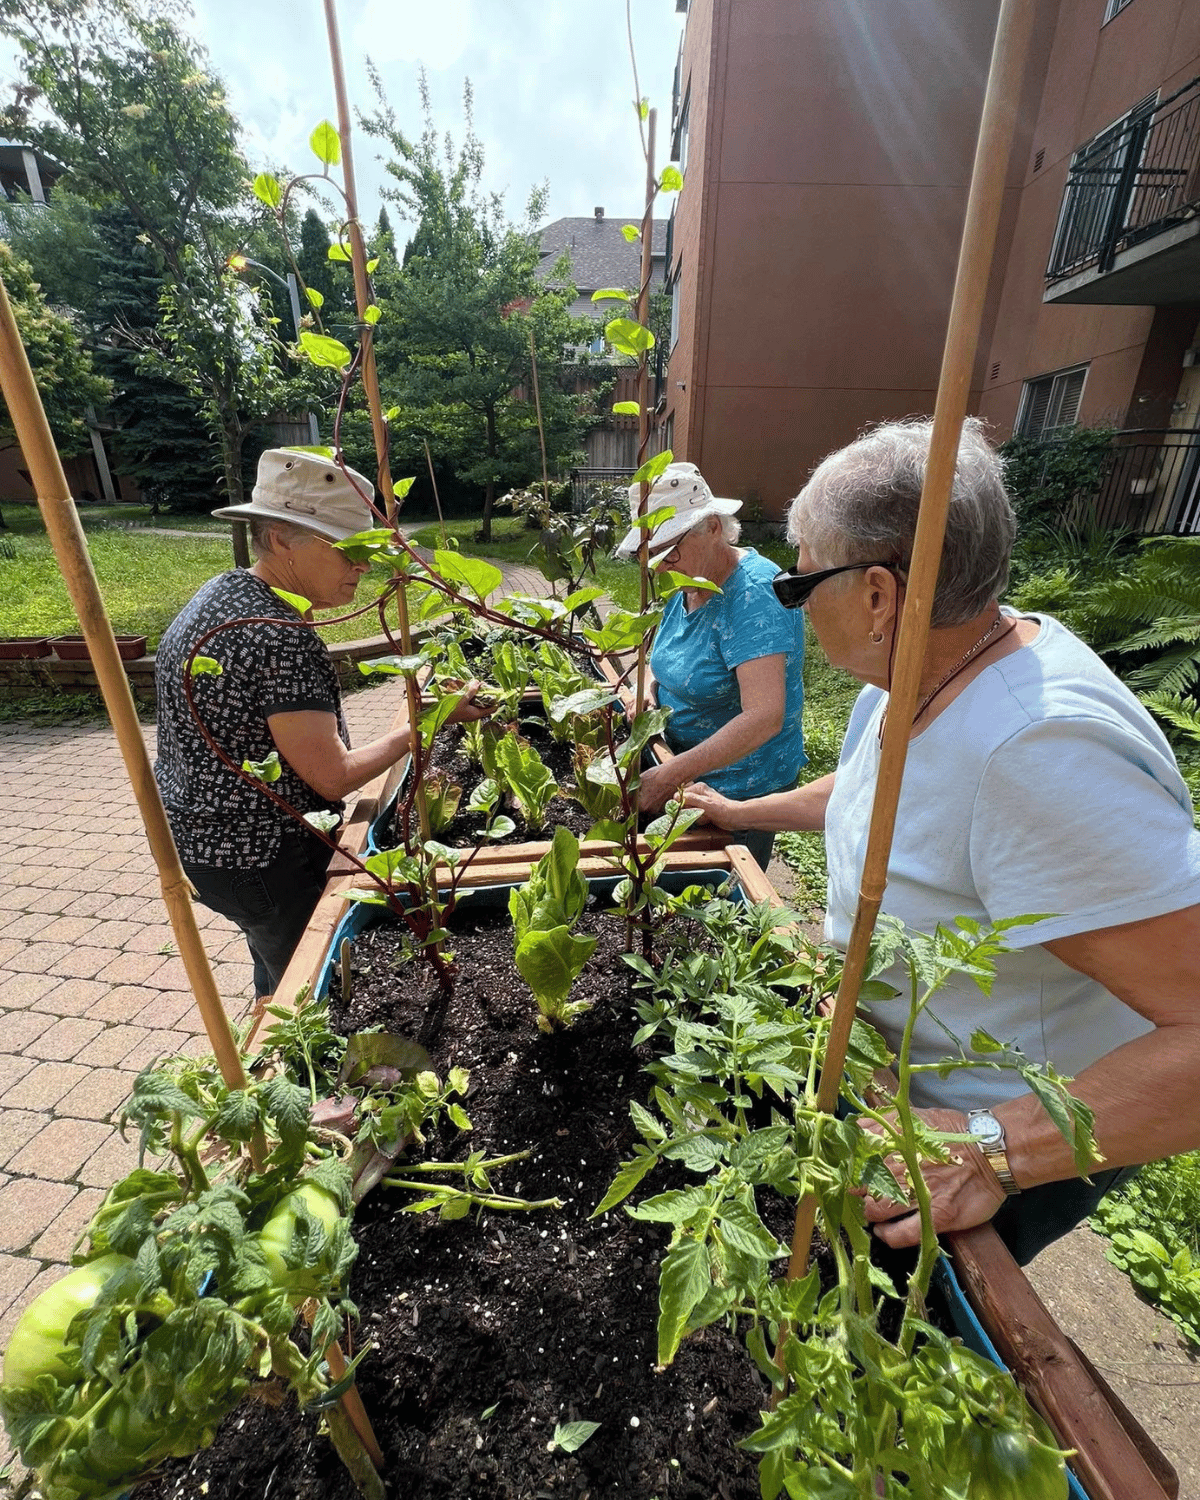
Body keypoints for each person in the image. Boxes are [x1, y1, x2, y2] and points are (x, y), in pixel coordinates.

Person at [684, 418, 1200, 1264]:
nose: (797, 603)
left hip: (976, 1139)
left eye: (801, 580)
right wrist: (743, 815)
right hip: (895, 1090)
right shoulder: (924, 670)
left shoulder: (1036, 753)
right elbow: (884, 797)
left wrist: (999, 1150)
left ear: (880, 595)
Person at [155, 448, 486, 1004]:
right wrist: (423, 724)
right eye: (347, 550)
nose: (364, 567)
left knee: (273, 965)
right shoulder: (277, 635)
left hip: (213, 849)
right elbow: (333, 779)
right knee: (307, 993)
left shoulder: (225, 594)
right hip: (264, 857)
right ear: (282, 539)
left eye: (367, 552)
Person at [614, 461, 806, 868]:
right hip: (681, 762)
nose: (662, 562)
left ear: (713, 527)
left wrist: (668, 777)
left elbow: (764, 716)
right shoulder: (688, 577)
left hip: (736, 789)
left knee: (719, 900)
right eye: (652, 553)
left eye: (671, 547)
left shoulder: (754, 593)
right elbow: (668, 651)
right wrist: (645, 688)